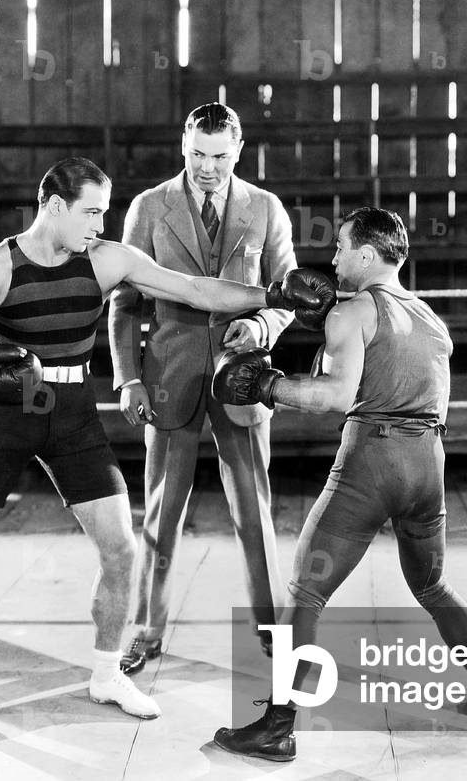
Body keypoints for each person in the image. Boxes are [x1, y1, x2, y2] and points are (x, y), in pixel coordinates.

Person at [0, 156, 332, 723]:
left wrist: (272, 295)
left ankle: (105, 673)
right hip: (8, 413)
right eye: (91, 212)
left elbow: (195, 289)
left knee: (121, 549)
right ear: (55, 207)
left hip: (73, 416)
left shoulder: (105, 259)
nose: (101, 223)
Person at [208, 208, 467, 762]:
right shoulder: (430, 318)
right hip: (428, 465)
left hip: (373, 459)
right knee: (433, 586)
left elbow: (335, 396)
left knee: (306, 591)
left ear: (367, 254)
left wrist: (268, 385)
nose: (333, 258)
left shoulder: (353, 312)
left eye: (342, 247)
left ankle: (278, 726)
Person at [109, 104, 332, 674]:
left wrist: (261, 327)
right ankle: (145, 631)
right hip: (168, 377)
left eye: (219, 156)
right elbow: (124, 302)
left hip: (244, 376)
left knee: (254, 513)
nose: (207, 167)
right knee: (161, 514)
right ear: (183, 146)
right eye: (197, 154)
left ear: (239, 151)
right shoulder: (148, 207)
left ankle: (273, 632)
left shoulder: (266, 207)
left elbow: (287, 296)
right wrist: (128, 377)